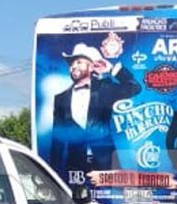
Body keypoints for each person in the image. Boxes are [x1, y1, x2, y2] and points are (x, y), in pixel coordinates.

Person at [50, 42, 141, 176]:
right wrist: (53, 172)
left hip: (106, 162)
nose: (73, 66)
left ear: (91, 66)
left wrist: (111, 69)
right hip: (75, 166)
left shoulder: (105, 88)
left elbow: (135, 87)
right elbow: (58, 138)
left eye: (79, 62)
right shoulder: (60, 98)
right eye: (71, 64)